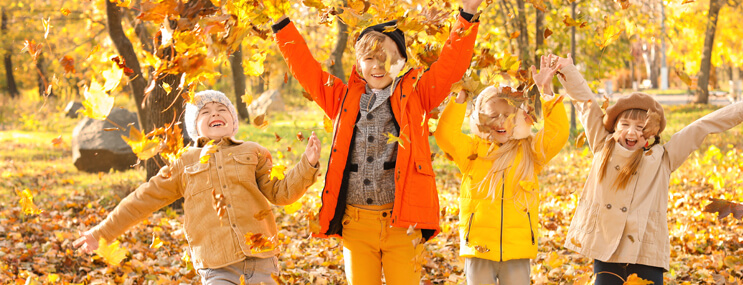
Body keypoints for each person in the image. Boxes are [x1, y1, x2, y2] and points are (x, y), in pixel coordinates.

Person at [269, 0, 482, 283]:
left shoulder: (418, 96)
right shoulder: (342, 99)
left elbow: (450, 66)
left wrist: (466, 16)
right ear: (358, 64)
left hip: (403, 224)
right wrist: (282, 24)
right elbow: (307, 70)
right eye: (369, 58)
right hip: (356, 224)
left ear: (403, 63)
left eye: (387, 58)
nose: (378, 65)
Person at [555, 54, 743, 284]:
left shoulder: (664, 158)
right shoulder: (603, 145)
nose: (631, 132)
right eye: (625, 125)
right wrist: (568, 70)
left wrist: (741, 109)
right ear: (614, 127)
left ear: (652, 134)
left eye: (641, 127)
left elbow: (699, 128)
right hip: (607, 248)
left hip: (646, 251)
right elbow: (587, 105)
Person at [73, 90, 322, 284]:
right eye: (205, 112)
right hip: (216, 265)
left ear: (233, 121)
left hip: (262, 258)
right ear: (194, 126)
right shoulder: (184, 162)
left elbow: (281, 192)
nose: (215, 113)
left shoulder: (252, 151)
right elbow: (143, 199)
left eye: (222, 109)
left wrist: (307, 164)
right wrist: (101, 232)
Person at [434, 55, 570, 284]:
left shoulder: (530, 151)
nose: (500, 122)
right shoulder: (472, 151)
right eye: (492, 116)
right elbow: (445, 135)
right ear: (479, 119)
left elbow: (558, 134)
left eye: (508, 116)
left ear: (519, 118)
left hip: (517, 248)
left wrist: (546, 91)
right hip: (478, 246)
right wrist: (461, 97)